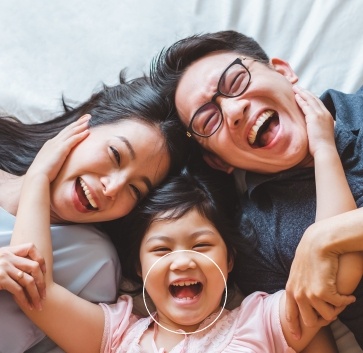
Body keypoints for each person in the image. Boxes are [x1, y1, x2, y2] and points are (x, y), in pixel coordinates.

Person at [6, 103, 363, 353]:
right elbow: (34, 285)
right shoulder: (115, 336)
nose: (182, 262)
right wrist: (38, 177)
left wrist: (324, 150)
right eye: (161, 250)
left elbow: (338, 266)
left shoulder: (262, 321)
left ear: (230, 260)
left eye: (201, 246)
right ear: (138, 269)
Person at [149, 30, 363, 347]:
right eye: (208, 121)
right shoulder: (256, 239)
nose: (234, 111)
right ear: (218, 161)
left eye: (236, 82)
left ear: (283, 71)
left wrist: (323, 238)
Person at [0, 74, 190, 353]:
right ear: (85, 124)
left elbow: (34, 287)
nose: (112, 188)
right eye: (115, 154)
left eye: (135, 190)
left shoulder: (94, 263)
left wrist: (38, 179)